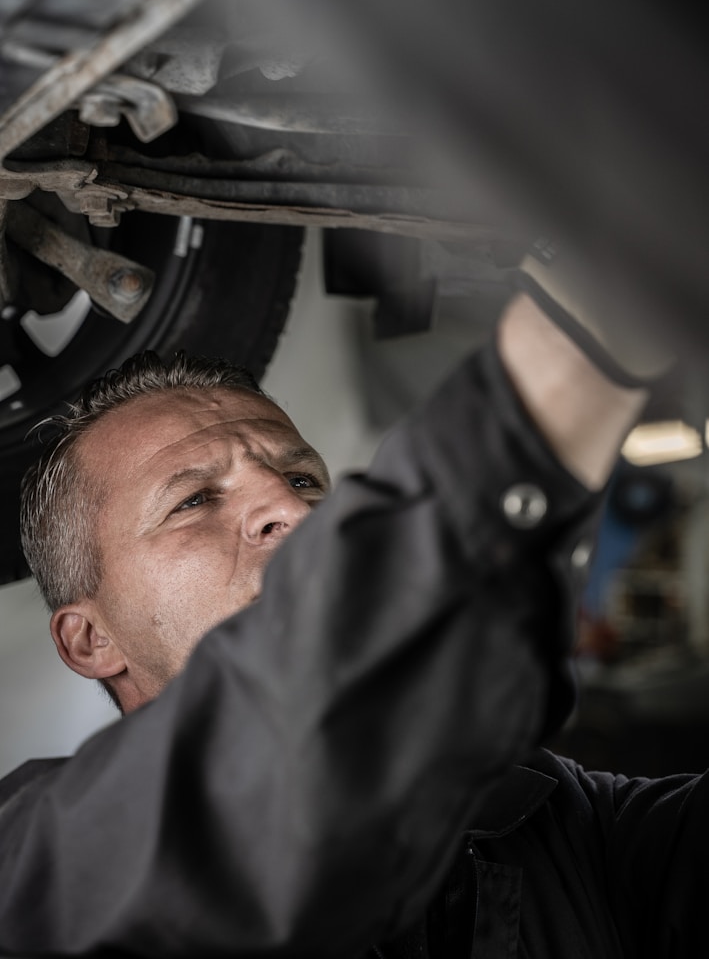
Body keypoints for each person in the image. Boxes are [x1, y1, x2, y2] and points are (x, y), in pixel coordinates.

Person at [0, 258, 701, 957]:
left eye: (304, 478)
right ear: (90, 640)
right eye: (193, 501)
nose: (289, 507)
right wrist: (574, 351)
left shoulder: (563, 824)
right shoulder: (38, 874)